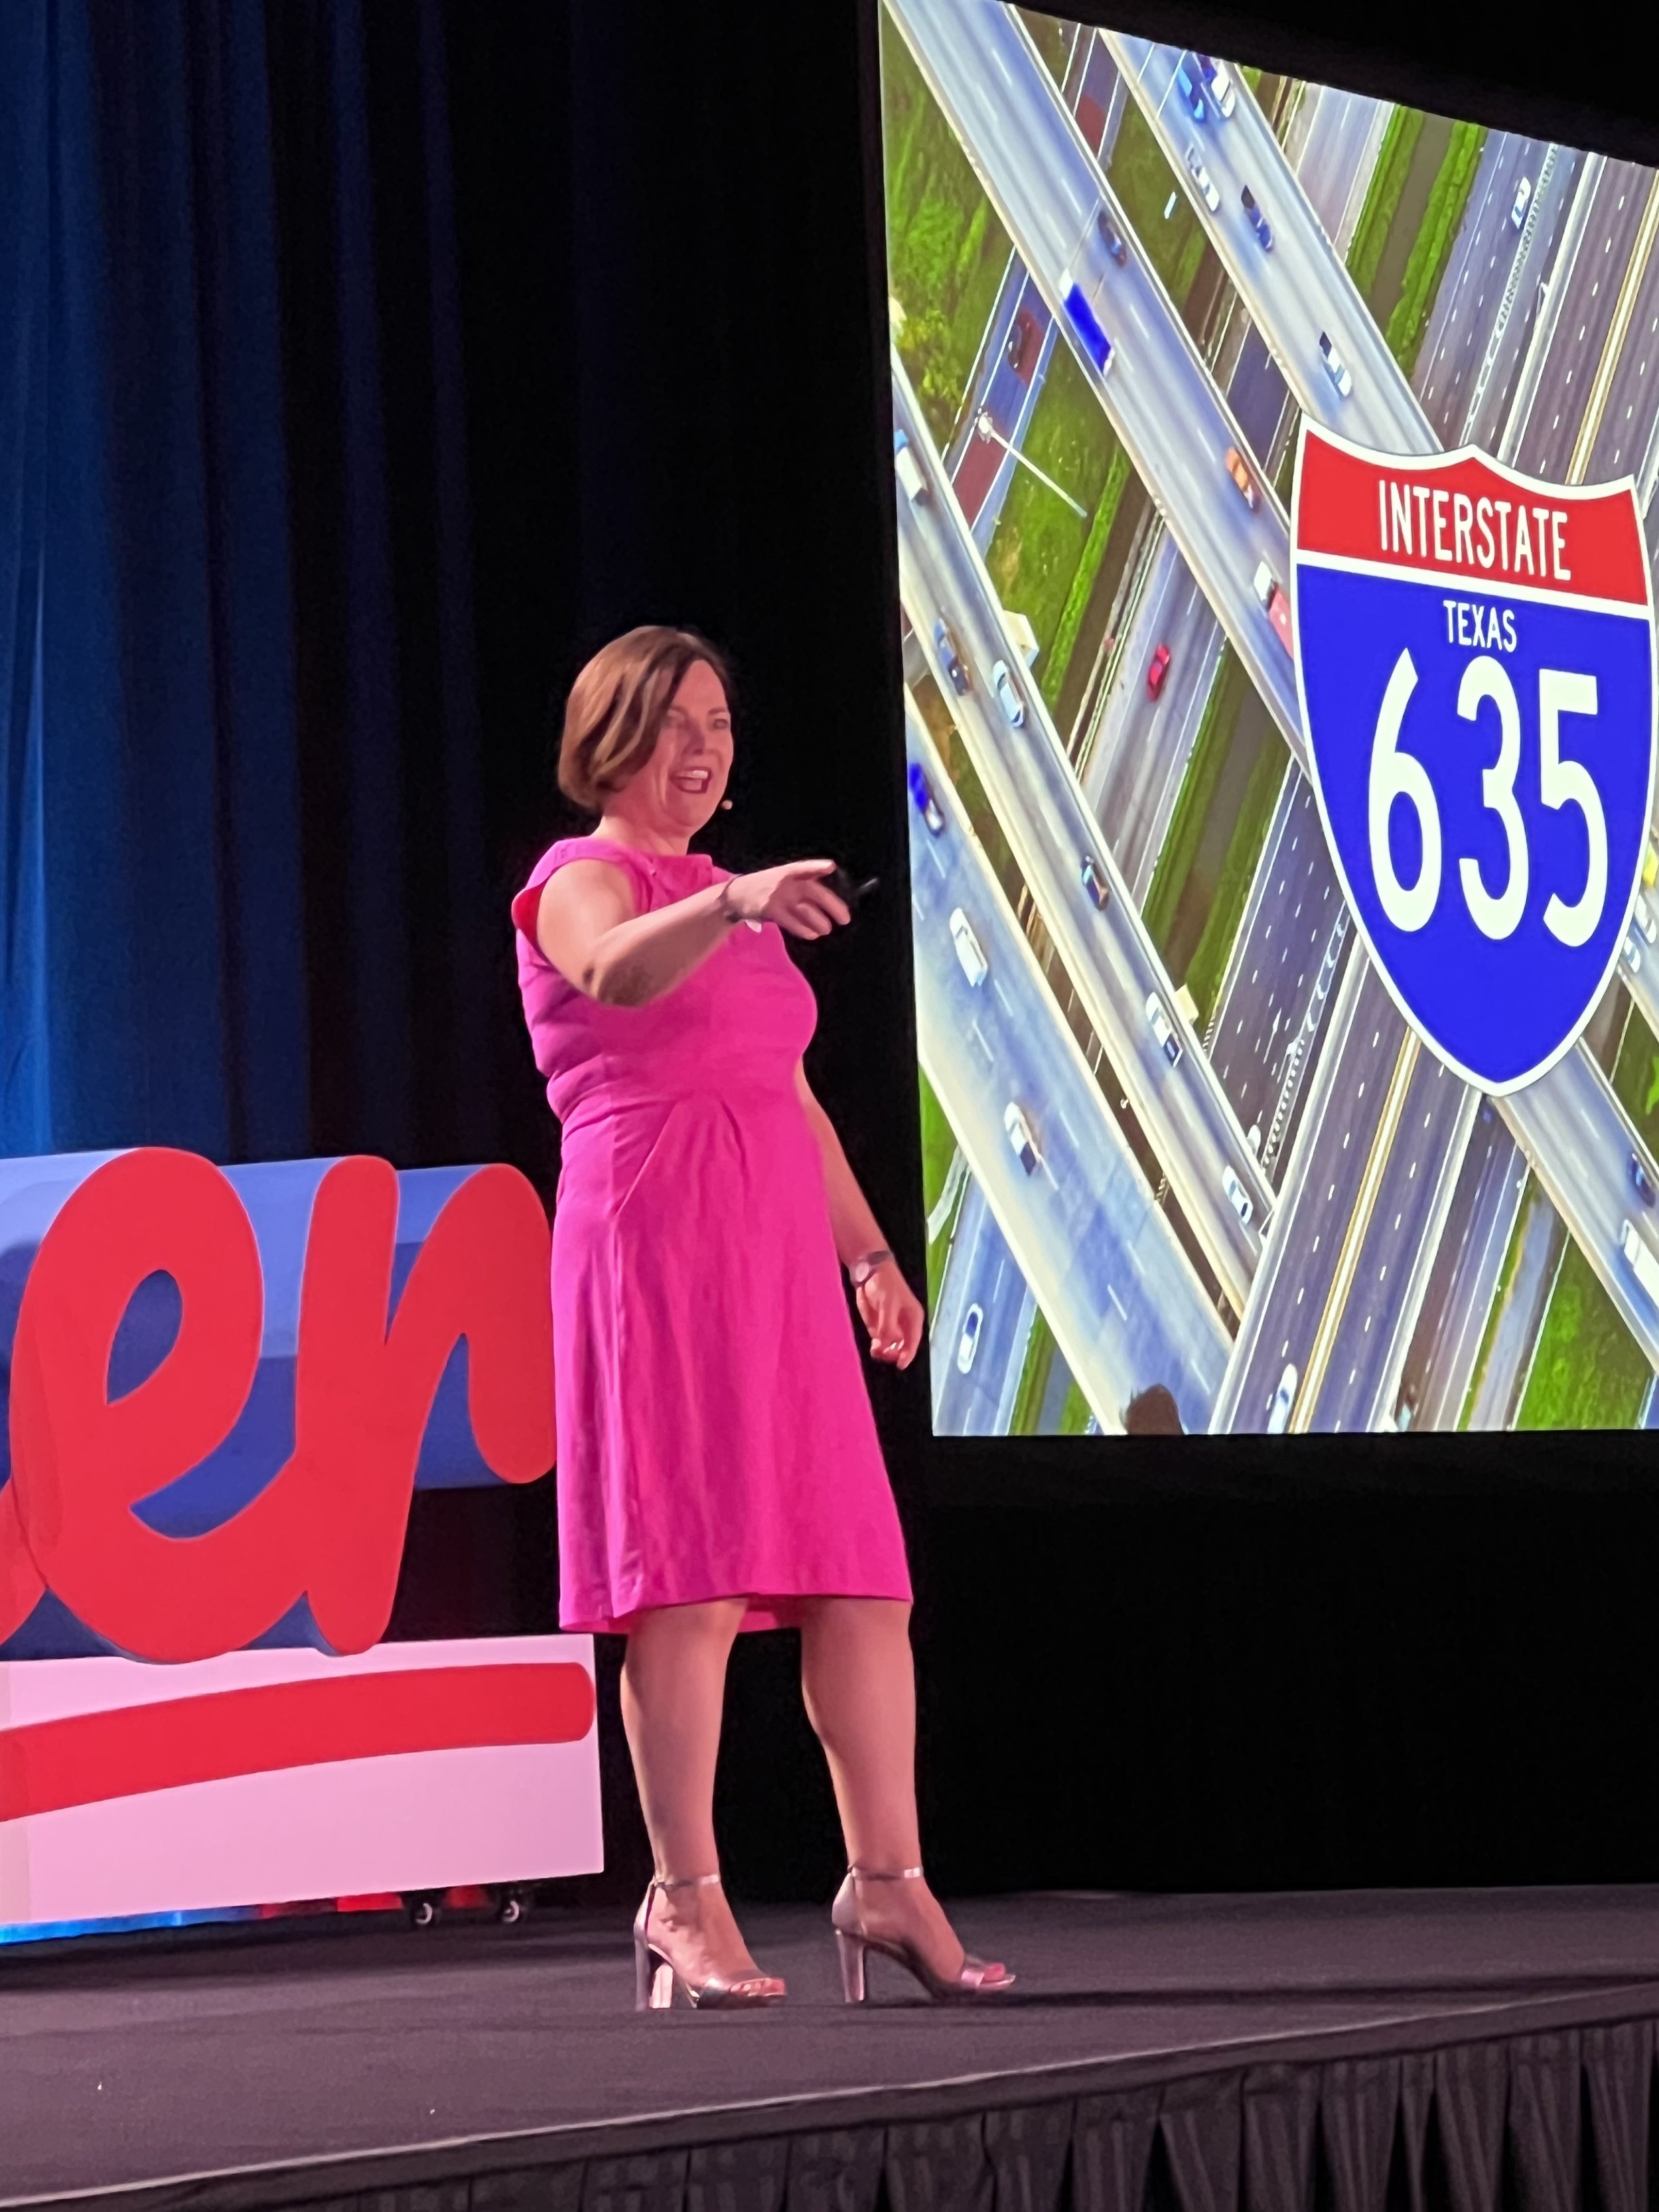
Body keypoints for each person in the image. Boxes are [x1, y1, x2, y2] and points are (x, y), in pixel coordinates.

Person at [512, 624, 1013, 2011]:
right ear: (609, 735)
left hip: (776, 1260)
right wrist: (728, 900)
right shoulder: (580, 879)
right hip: (656, 1252)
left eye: (719, 722)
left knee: (861, 1576)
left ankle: (886, 1880)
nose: (703, 746)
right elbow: (611, 971)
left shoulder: (726, 903)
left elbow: (783, 1090)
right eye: (674, 721)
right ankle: (681, 1898)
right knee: (688, 1577)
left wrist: (866, 1259)